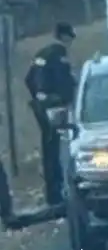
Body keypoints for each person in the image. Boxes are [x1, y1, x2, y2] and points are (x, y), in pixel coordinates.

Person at [23, 22, 75, 204]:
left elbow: (28, 79)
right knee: (59, 150)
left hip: (41, 107)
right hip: (55, 108)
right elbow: (64, 83)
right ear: (65, 37)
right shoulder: (59, 55)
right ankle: (59, 193)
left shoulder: (41, 54)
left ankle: (52, 195)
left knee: (48, 149)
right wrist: (69, 98)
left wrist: (39, 98)